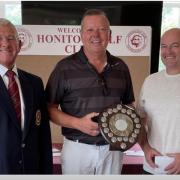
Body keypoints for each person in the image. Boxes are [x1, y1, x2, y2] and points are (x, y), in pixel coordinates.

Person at [45, 9, 134, 175]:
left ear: (110, 35)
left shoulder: (121, 67)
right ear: (81, 34)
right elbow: (49, 109)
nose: (96, 35)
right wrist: (78, 123)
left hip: (112, 151)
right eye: (90, 29)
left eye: (102, 29)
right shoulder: (64, 67)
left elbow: (129, 105)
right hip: (77, 149)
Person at [0, 18, 52, 174]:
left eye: (11, 38)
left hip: (31, 169)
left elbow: (43, 136)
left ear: (20, 45)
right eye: (0, 38)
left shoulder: (35, 83)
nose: (5, 44)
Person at [137, 28, 180, 174]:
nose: (168, 51)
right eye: (163, 46)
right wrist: (146, 148)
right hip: (152, 167)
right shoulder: (150, 81)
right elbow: (139, 121)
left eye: (175, 45)